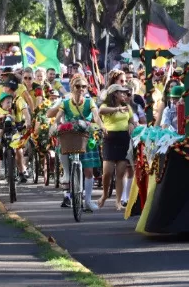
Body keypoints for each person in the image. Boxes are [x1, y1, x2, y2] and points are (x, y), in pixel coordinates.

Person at [47, 74, 104, 211]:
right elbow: (58, 117)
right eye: (78, 86)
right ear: (72, 87)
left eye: (84, 86)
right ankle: (68, 192)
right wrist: (54, 126)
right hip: (70, 137)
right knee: (66, 165)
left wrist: (101, 126)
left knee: (89, 171)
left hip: (85, 138)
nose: (81, 89)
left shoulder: (89, 102)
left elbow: (96, 115)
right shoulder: (65, 103)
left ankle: (88, 201)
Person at [98, 84, 136, 210]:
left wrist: (131, 124)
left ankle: (118, 201)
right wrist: (117, 110)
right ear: (115, 94)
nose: (125, 95)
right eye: (122, 93)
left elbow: (132, 120)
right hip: (109, 140)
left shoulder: (127, 107)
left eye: (125, 93)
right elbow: (101, 111)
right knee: (107, 172)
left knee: (120, 173)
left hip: (123, 140)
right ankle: (104, 195)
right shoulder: (106, 106)